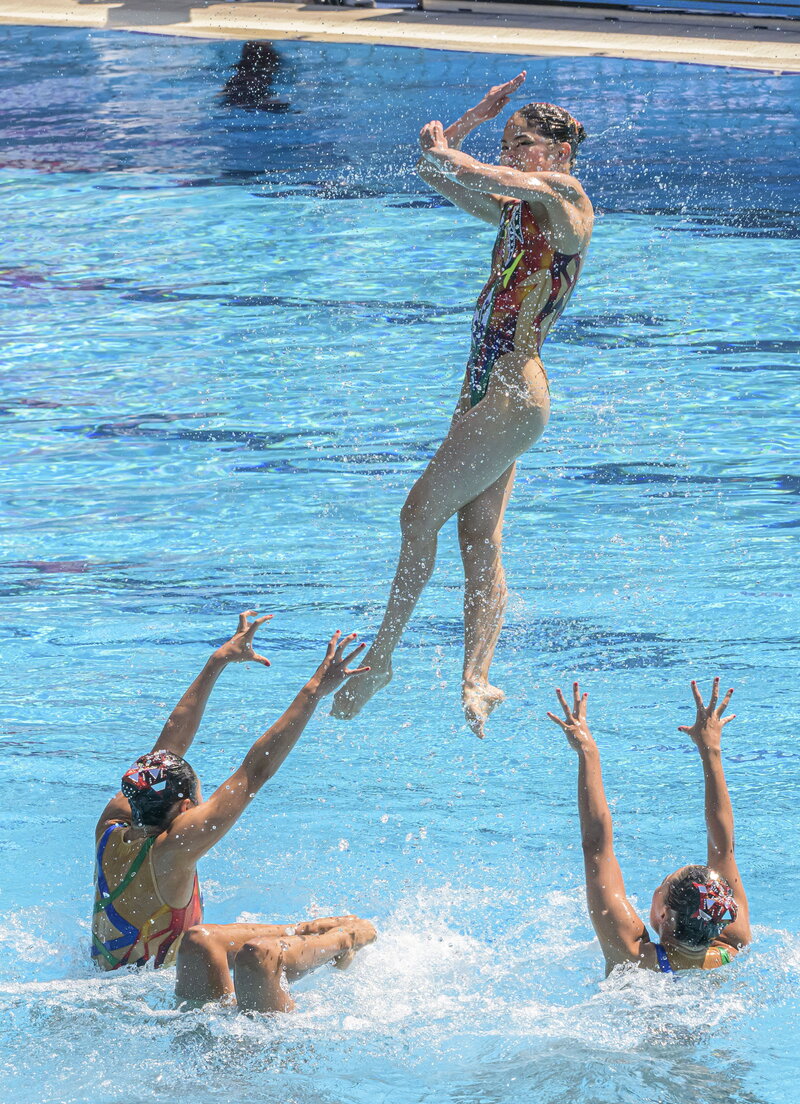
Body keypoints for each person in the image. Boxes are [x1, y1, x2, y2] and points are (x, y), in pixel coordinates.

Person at [332, 72, 594, 738]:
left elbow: (474, 171)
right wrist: (469, 123)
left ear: (559, 154)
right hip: (483, 390)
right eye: (508, 142)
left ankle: (382, 661)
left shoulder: (566, 199)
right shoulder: (513, 206)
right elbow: (435, 170)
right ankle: (476, 678)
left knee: (418, 511)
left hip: (513, 389)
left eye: (524, 143)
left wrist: (460, 149)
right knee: (477, 537)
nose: (513, 155)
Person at [92, 612, 376, 1012]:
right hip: (168, 996)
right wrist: (314, 690)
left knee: (207, 940)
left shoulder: (111, 826)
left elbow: (167, 746)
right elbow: (253, 773)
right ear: (186, 808)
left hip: (119, 985)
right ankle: (344, 940)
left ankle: (313, 931)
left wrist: (217, 661)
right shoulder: (173, 849)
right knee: (211, 942)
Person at [547, 678, 751, 975]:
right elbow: (724, 847)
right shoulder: (733, 945)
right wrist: (712, 750)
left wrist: (587, 752)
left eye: (661, 886)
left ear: (664, 913)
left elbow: (596, 847)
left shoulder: (633, 957)